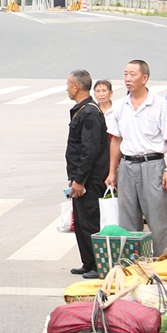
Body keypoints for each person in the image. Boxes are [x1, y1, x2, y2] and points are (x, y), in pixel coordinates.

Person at [105, 60, 167, 256]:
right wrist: (112, 172)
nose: (128, 79)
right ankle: (132, 264)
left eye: (132, 74)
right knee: (128, 219)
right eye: (125, 74)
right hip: (127, 165)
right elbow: (116, 141)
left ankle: (163, 262)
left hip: (153, 165)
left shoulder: (159, 104)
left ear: (144, 78)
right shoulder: (120, 106)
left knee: (158, 219)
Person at [65, 69, 110, 279]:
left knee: (90, 222)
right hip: (79, 178)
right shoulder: (81, 110)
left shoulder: (90, 112)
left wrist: (80, 180)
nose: (66, 89)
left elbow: (89, 150)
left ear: (76, 87)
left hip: (89, 179)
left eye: (68, 85)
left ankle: (97, 265)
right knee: (81, 222)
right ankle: (88, 262)